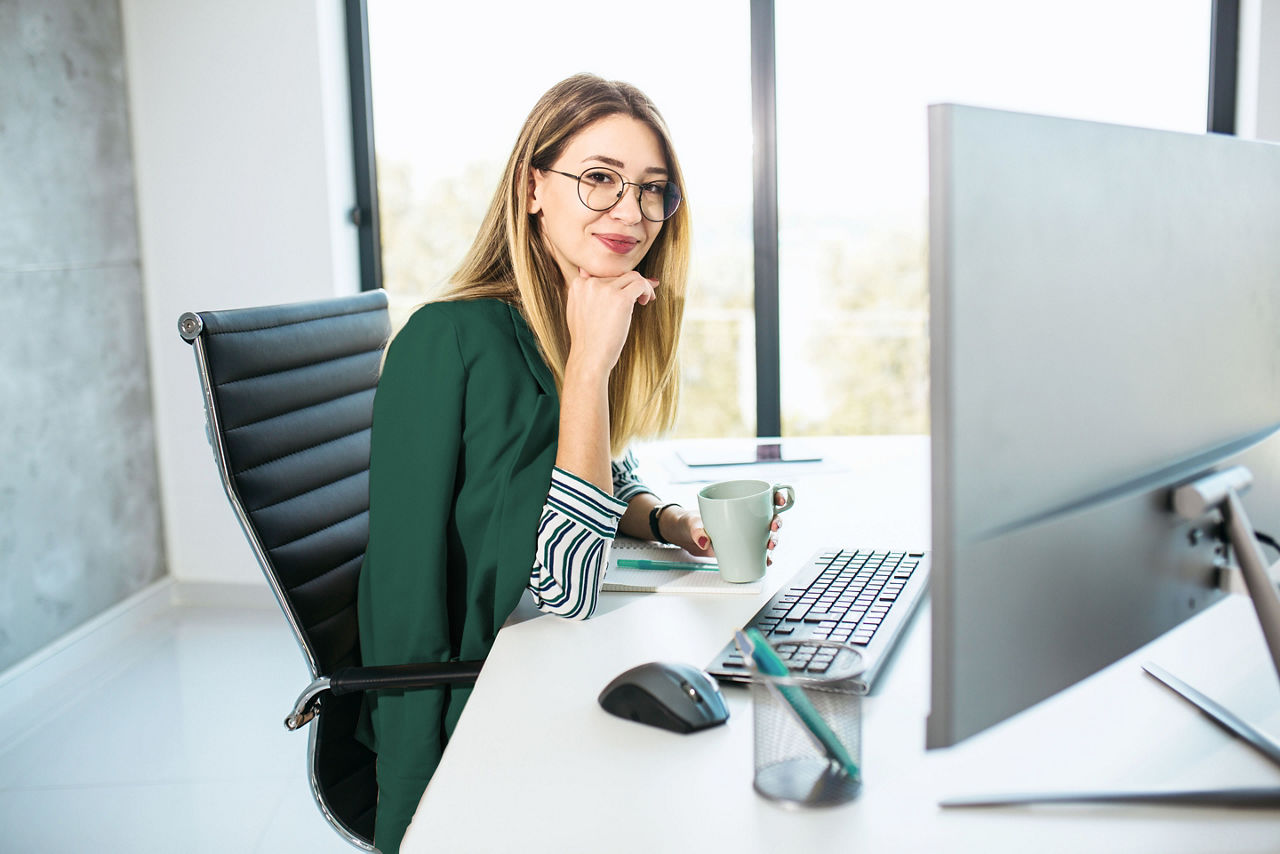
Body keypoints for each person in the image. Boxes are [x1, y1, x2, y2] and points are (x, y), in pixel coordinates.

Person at [356, 73, 780, 852]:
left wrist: (665, 518)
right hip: (487, 708)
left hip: (555, 669)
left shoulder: (568, 312)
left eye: (654, 190)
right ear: (532, 189)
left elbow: (592, 469)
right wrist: (411, 818)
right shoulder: (447, 343)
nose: (631, 211)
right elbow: (549, 589)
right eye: (599, 179)